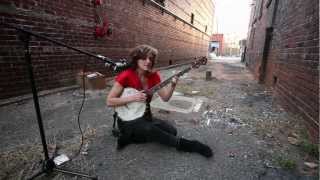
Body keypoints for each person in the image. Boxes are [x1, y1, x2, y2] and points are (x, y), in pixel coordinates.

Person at [107, 44, 212, 158]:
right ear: (136, 59)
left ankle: (130, 137)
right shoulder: (126, 75)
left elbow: (165, 98)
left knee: (172, 131)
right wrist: (133, 98)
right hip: (127, 120)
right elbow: (109, 101)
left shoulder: (153, 76)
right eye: (144, 58)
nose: (148, 61)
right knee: (150, 129)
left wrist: (173, 85)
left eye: (151, 59)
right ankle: (187, 145)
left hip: (145, 116)